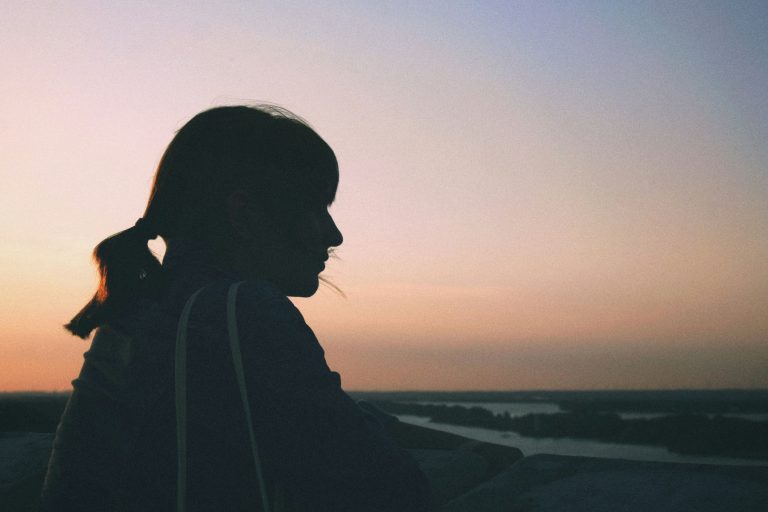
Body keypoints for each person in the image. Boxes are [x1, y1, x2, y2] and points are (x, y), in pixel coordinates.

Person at [40, 105, 433, 511]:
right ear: (244, 215)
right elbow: (392, 488)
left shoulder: (134, 313)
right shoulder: (243, 312)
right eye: (315, 208)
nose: (335, 235)